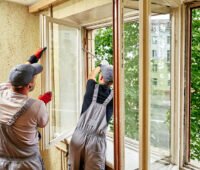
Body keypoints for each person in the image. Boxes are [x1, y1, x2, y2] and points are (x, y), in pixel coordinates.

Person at [0, 47, 52, 170]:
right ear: (30, 85)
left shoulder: (2, 90)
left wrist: (32, 59)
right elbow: (43, 123)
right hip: (27, 165)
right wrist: (42, 103)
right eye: (34, 77)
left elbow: (17, 76)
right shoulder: (36, 106)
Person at [69, 63, 113, 170]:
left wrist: (100, 65)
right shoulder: (114, 97)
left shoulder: (91, 88)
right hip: (95, 144)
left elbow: (91, 75)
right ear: (112, 82)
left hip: (78, 137)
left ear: (101, 77)